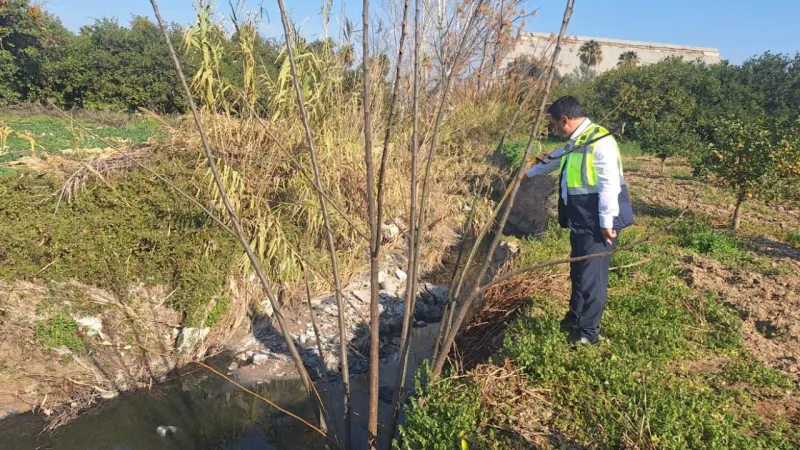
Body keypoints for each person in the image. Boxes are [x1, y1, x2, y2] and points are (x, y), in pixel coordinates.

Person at [525, 96, 634, 345]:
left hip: (597, 222)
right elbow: (553, 161)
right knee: (579, 272)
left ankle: (588, 333)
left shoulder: (599, 141)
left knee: (591, 277)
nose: (553, 131)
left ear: (565, 120)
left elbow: (609, 184)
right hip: (581, 218)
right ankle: (574, 317)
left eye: (553, 125)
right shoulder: (579, 140)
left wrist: (606, 222)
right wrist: (528, 175)